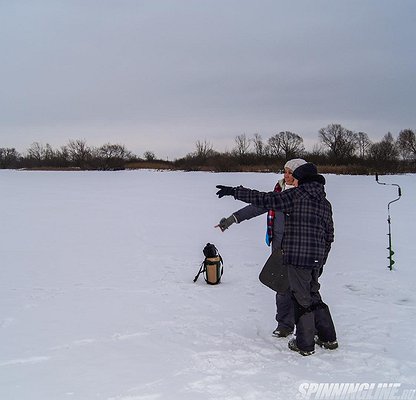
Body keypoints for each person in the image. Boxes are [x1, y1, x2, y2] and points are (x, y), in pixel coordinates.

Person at [216, 162, 337, 356]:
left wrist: (234, 191)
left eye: (294, 175)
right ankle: (328, 337)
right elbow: (329, 235)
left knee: (301, 299)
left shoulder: (295, 196)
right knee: (313, 294)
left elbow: (263, 199)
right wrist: (321, 259)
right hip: (315, 257)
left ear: (302, 178)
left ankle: (305, 344)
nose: (290, 178)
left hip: (296, 256)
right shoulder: (324, 202)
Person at [215, 159, 307, 338]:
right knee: (281, 287)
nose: (286, 175)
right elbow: (260, 205)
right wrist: (233, 218)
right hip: (279, 245)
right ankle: (284, 324)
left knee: (303, 289)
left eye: (290, 172)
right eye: (285, 171)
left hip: (301, 247)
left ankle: (309, 326)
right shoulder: (279, 190)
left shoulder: (305, 194)